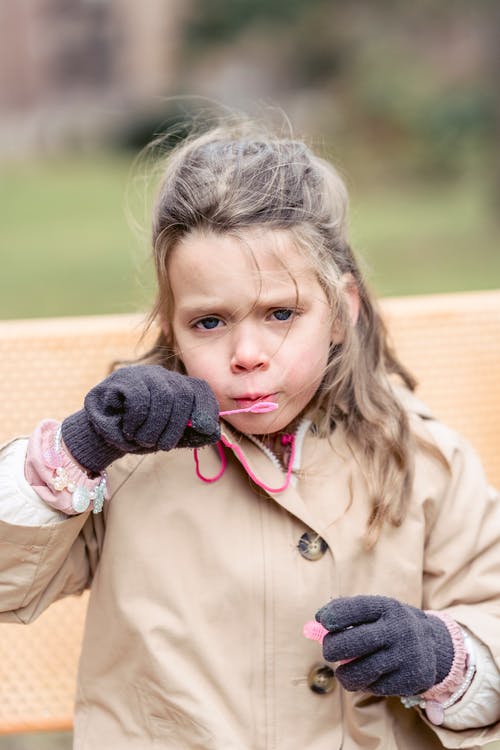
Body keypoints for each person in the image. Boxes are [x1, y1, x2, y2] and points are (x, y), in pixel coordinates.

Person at [0, 117, 499, 750]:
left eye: (281, 313)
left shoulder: (427, 462)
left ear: (342, 311)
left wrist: (447, 660)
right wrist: (79, 451)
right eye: (209, 321)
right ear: (173, 326)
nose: (247, 353)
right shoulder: (124, 461)